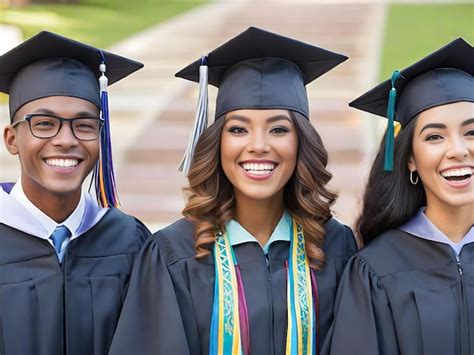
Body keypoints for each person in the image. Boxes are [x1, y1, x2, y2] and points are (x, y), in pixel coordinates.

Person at [109, 26, 357, 355]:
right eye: (238, 129)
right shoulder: (173, 253)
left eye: (279, 129)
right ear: (217, 143)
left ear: (302, 143)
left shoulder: (336, 247)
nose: (258, 145)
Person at [0, 31, 150, 355]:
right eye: (44, 124)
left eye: (84, 125)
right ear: (11, 139)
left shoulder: (130, 240)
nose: (66, 140)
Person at [321, 38, 473, 355]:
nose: (458, 150)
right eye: (434, 136)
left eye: (472, 132)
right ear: (410, 159)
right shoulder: (375, 270)